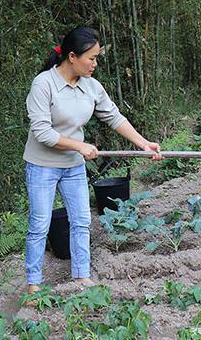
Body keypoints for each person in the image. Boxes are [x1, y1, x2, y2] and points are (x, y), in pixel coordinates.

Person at [23, 26, 162, 295]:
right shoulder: (44, 84)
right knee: (40, 225)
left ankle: (81, 277)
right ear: (72, 57)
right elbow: (42, 132)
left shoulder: (91, 86)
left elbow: (114, 117)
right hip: (42, 166)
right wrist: (80, 145)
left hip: (73, 165)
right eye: (92, 58)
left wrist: (143, 143)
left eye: (97, 57)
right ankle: (33, 285)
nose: (95, 64)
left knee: (81, 220)